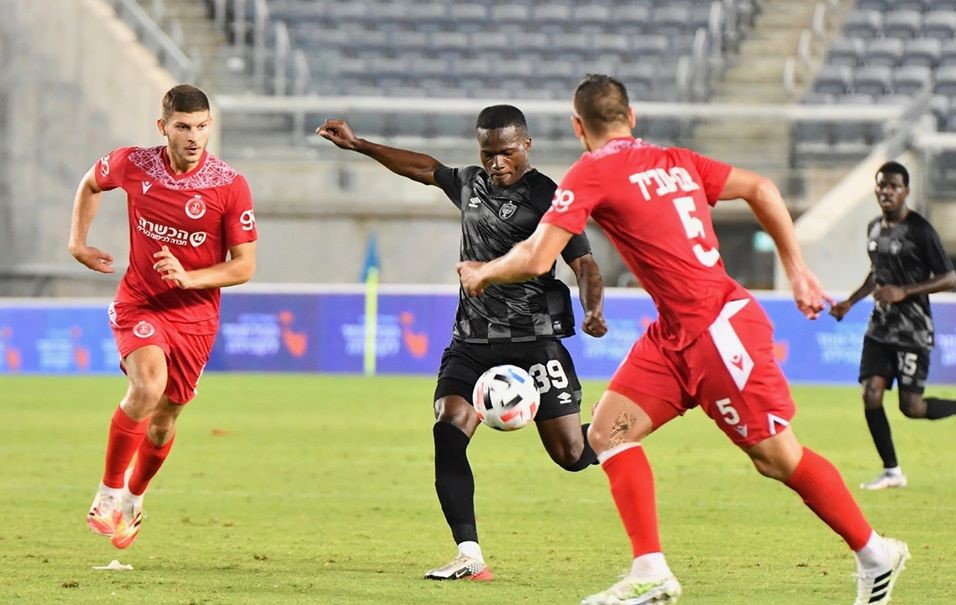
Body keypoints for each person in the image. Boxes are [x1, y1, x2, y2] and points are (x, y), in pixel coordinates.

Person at [457, 75, 908, 605]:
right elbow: (762, 188)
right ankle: (650, 571)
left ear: (578, 127)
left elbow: (537, 257)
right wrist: (797, 269)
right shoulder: (675, 159)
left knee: (777, 458)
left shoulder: (593, 170)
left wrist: (484, 272)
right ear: (632, 116)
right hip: (673, 334)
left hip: (718, 331)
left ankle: (875, 553)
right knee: (608, 432)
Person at [317, 105, 607, 581]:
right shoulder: (471, 184)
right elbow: (425, 169)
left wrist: (593, 308)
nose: (496, 163)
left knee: (571, 456)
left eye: (506, 152)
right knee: (448, 426)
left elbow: (586, 265)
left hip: (533, 342)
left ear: (527, 145)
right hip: (471, 342)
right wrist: (359, 144)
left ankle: (619, 426)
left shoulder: (550, 199)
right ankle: (469, 555)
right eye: (488, 153)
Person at [69, 84, 258, 549]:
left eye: (202, 126)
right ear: (163, 127)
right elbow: (91, 182)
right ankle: (108, 494)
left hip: (195, 316)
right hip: (141, 301)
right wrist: (78, 242)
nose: (194, 137)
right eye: (183, 127)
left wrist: (189, 278)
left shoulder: (229, 185)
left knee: (163, 420)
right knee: (146, 388)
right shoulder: (134, 164)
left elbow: (243, 266)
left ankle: (134, 497)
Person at [830, 161, 956, 491]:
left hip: (913, 329)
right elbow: (877, 273)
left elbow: (949, 277)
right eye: (882, 185)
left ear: (906, 191)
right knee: (871, 393)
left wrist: (904, 291)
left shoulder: (920, 230)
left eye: (894, 186)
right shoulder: (874, 228)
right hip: (880, 328)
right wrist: (850, 302)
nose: (886, 191)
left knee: (912, 407)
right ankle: (891, 471)